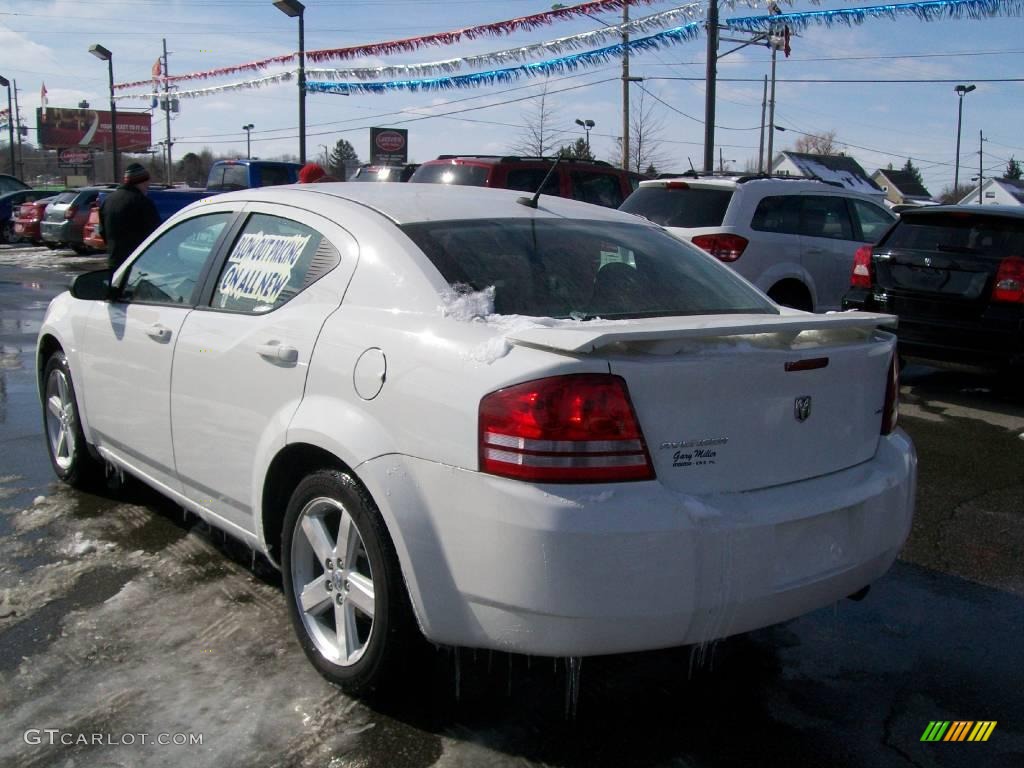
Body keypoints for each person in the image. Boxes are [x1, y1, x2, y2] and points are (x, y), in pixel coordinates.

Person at [100, 162, 161, 270]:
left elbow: (102, 231)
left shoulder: (108, 200)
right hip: (137, 263)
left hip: (114, 260)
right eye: (147, 182)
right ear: (141, 181)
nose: (148, 185)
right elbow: (155, 234)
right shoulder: (142, 202)